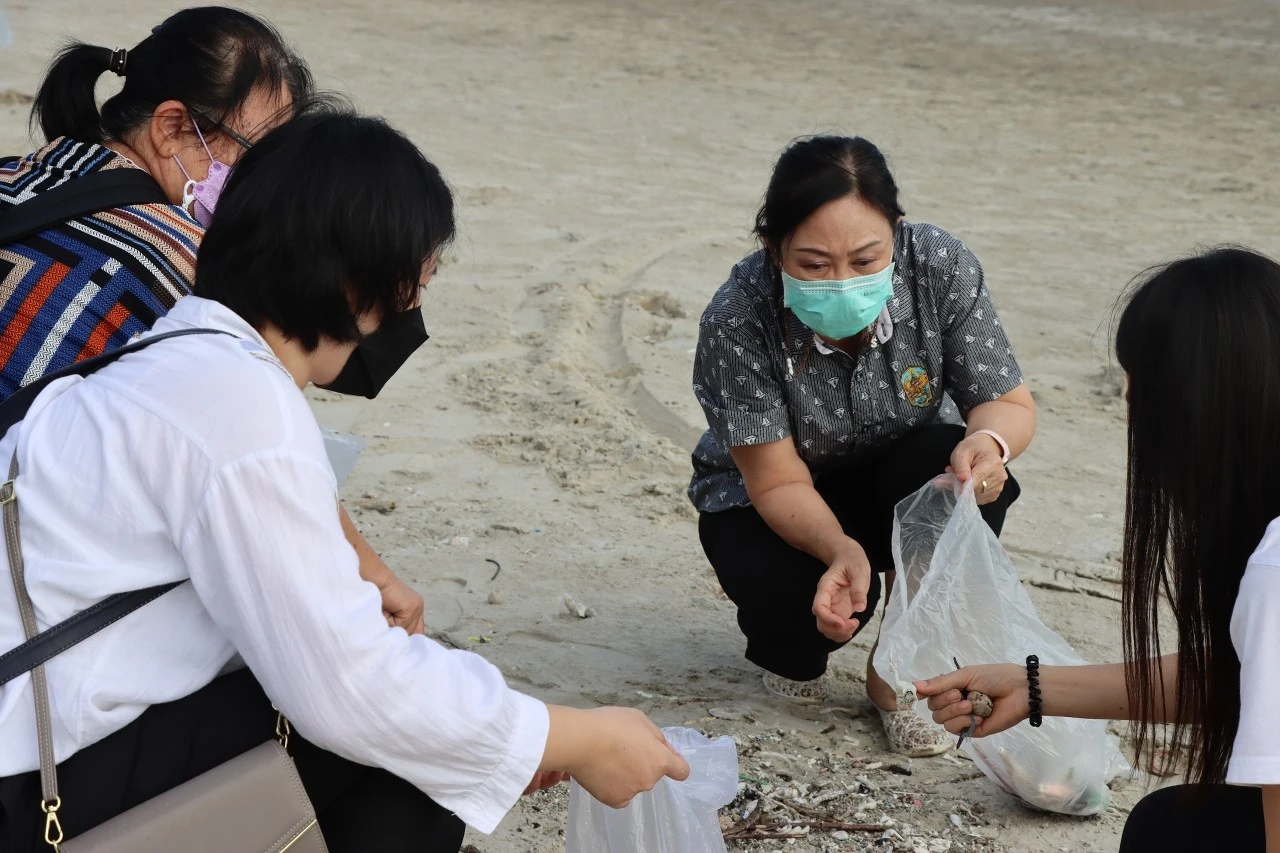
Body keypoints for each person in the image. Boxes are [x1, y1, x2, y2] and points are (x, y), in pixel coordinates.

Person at [0, 109, 689, 852]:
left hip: (37, 737)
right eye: (414, 284)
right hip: (28, 789)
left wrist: (508, 734)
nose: (410, 314)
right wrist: (572, 738)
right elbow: (351, 691)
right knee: (399, 752)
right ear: (353, 283)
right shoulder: (242, 404)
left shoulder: (176, 357)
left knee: (415, 705)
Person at [0, 6, 431, 641]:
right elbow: (250, 439)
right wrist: (371, 572)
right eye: (258, 157)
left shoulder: (16, 175)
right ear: (172, 127)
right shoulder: (188, 267)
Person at [916, 247, 1280, 851]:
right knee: (1172, 824)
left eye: (1143, 408)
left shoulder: (1273, 569)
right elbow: (1248, 673)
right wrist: (1032, 687)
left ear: (1201, 416)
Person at [689, 135, 1036, 757]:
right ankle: (797, 641)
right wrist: (839, 549)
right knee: (797, 637)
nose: (841, 282)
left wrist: (988, 444)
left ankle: (902, 661)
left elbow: (1007, 402)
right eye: (815, 265)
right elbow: (775, 481)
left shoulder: (938, 265)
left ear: (896, 236)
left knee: (959, 470)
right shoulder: (737, 319)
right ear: (774, 250)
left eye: (866, 259)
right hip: (783, 497)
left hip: (905, 470)